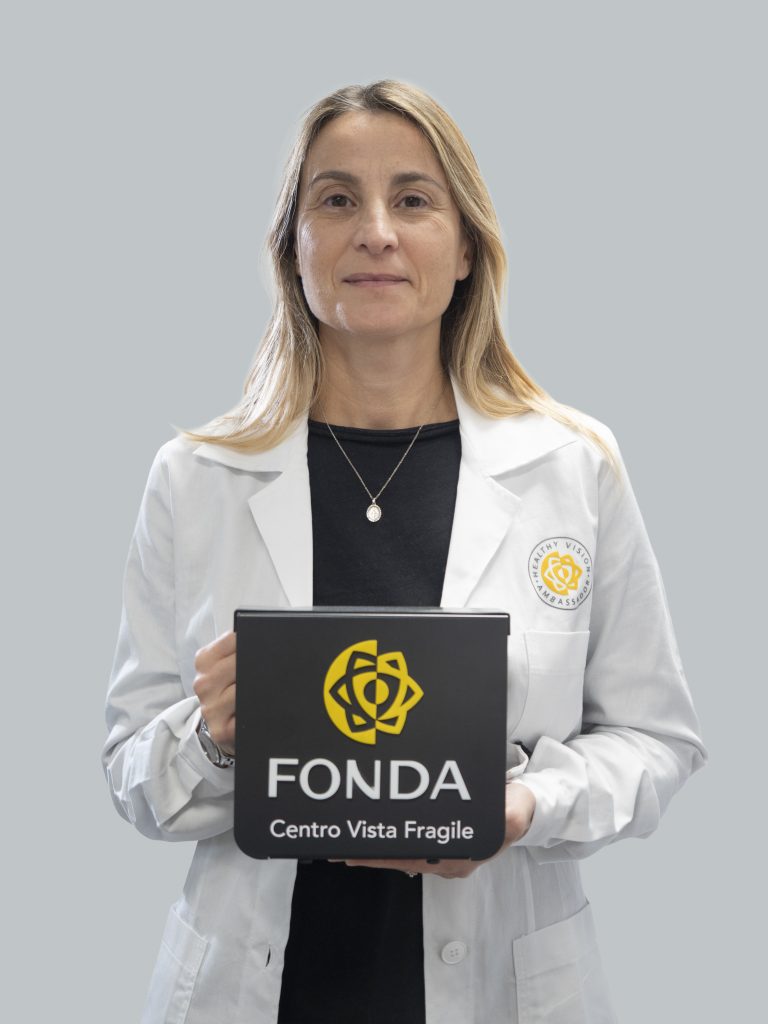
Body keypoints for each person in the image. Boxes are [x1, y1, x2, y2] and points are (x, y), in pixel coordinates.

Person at [102, 80, 708, 1024]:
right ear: (292, 247)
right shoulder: (195, 478)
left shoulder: (572, 468)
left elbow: (656, 740)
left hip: (504, 986)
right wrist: (210, 738)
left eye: (414, 199)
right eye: (337, 200)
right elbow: (132, 775)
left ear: (465, 249)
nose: (376, 233)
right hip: (256, 992)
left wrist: (524, 808)